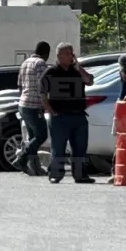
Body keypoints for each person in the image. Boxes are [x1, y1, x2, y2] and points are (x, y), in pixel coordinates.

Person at [42, 42, 95, 183]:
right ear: (58, 55)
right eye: (67, 53)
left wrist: (79, 67)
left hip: (78, 115)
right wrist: (51, 111)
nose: (71, 56)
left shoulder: (77, 71)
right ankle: (55, 174)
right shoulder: (51, 72)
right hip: (60, 116)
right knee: (58, 148)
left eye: (72, 53)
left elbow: (89, 81)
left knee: (80, 148)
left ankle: (80, 175)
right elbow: (42, 94)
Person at [13, 41, 50, 176]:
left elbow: (20, 85)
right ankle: (22, 158)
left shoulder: (25, 62)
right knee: (42, 135)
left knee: (33, 137)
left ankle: (35, 167)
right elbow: (43, 86)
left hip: (23, 104)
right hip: (34, 105)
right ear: (46, 54)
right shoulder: (40, 64)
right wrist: (45, 104)